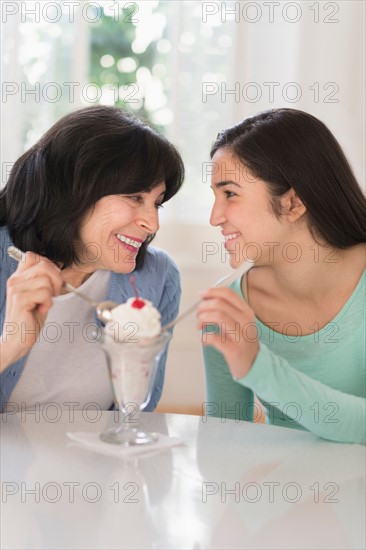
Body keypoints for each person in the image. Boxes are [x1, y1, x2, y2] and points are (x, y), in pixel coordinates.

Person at [197, 108, 365, 444]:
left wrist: (258, 365)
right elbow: (224, 442)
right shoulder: (228, 305)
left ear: (293, 202)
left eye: (230, 194)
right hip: (284, 491)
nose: (215, 217)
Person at [0, 105, 184, 413]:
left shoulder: (158, 276)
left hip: (98, 462)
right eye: (135, 197)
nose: (152, 224)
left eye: (157, 203)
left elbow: (138, 415)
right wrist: (10, 345)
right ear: (73, 190)